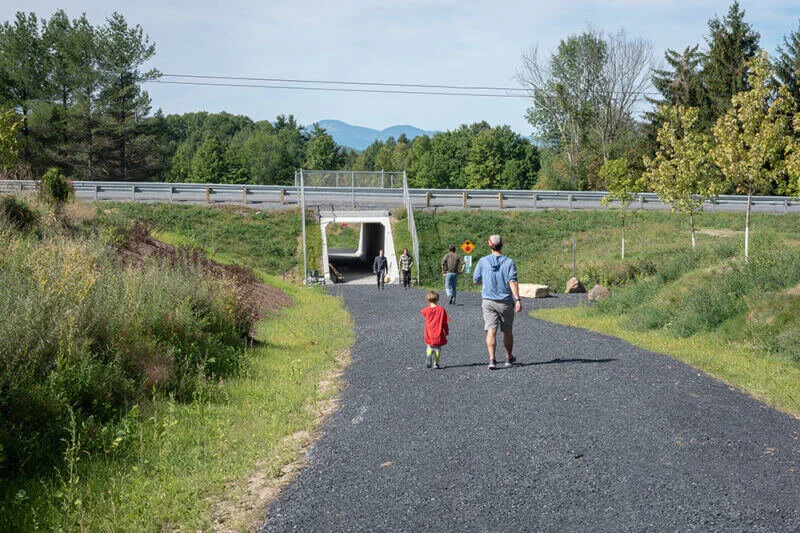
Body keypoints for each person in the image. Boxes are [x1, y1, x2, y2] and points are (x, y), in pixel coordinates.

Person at [472, 234, 522, 370]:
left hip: (488, 301)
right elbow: (512, 281)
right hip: (505, 301)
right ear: (502, 244)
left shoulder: (483, 261)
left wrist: (487, 281)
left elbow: (476, 279)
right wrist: (517, 300)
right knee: (507, 331)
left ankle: (492, 360)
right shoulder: (509, 262)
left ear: (489, 245)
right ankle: (508, 357)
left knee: (491, 331)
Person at [420, 290, 449, 369]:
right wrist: (446, 331)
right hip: (438, 331)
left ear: (428, 300)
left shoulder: (426, 310)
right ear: (437, 299)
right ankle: (436, 363)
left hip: (428, 331)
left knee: (429, 346)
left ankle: (429, 354)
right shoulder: (441, 310)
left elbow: (423, 312)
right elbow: (445, 322)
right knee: (437, 348)